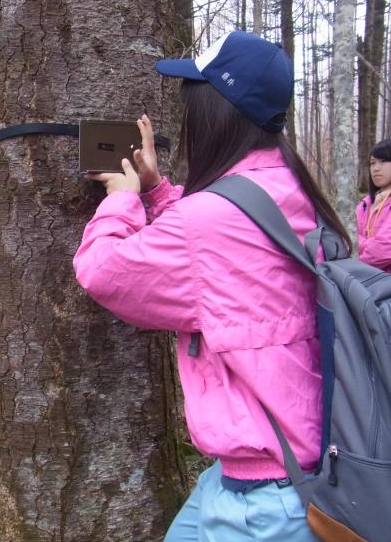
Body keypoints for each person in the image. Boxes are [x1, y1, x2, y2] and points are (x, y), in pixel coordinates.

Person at [73, 31, 351, 541]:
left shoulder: (213, 217)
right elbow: (222, 254)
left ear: (215, 112)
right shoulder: (285, 185)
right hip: (288, 467)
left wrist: (122, 198)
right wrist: (158, 191)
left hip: (265, 501)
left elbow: (104, 271)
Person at [356, 139, 391, 273]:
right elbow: (346, 237)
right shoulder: (365, 204)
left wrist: (355, 261)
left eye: (383, 161)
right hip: (364, 287)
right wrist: (370, 244)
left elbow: (384, 248)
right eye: (372, 163)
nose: (376, 168)